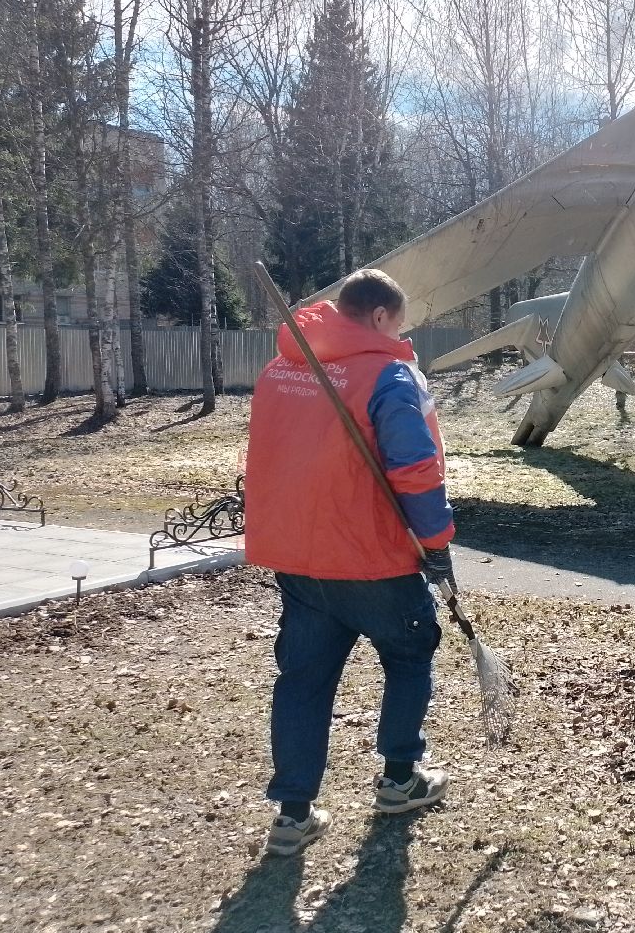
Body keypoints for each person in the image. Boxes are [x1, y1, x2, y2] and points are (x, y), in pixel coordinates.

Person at [245, 268, 457, 857]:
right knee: (410, 656)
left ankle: (293, 813)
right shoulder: (389, 374)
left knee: (304, 680)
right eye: (402, 323)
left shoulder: (281, 371)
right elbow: (415, 468)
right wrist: (437, 541)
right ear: (384, 316)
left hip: (299, 556)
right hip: (373, 555)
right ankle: (398, 779)